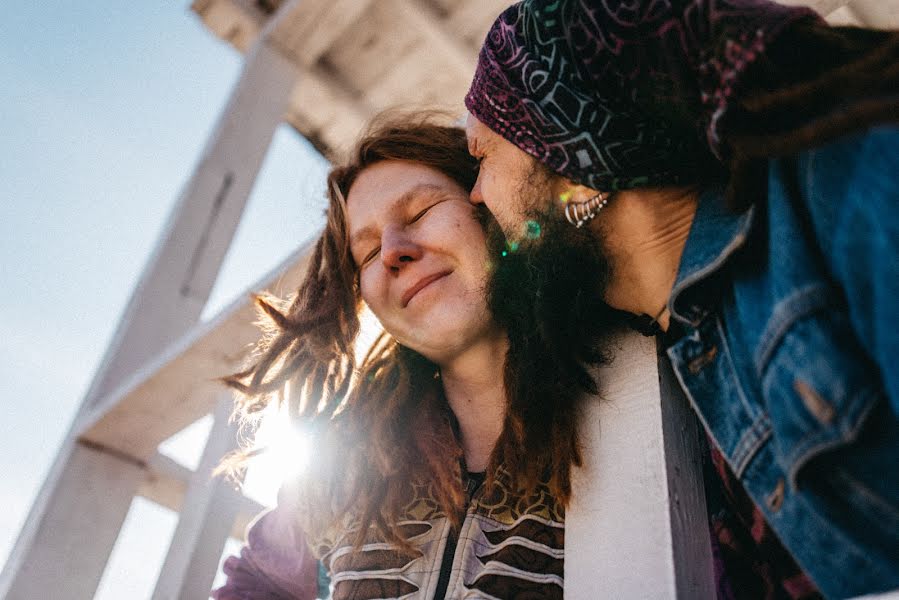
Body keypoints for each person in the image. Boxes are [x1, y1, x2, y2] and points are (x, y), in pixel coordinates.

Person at [463, 0, 899, 598]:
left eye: (483, 154)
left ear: (577, 169)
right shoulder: (684, 365)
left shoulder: (844, 179)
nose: (475, 197)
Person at [211, 112, 608, 600]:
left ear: (491, 204)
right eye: (369, 252)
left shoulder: (645, 389)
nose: (395, 250)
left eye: (420, 212)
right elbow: (256, 584)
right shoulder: (344, 462)